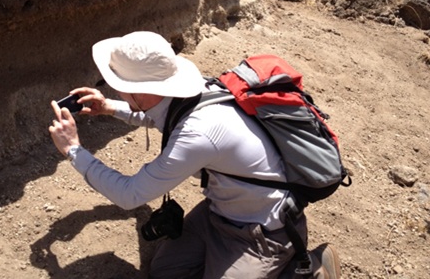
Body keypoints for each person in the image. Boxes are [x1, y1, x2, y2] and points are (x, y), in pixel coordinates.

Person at [49, 31, 341, 279]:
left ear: (140, 90)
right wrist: (109, 107)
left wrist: (73, 150)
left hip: (262, 232)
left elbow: (130, 195)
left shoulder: (198, 134)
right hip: (219, 213)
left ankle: (312, 268)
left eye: (118, 85)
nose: (114, 89)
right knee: (165, 271)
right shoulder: (197, 90)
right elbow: (158, 116)